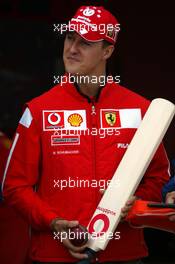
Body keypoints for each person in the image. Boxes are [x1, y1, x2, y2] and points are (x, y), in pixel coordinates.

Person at [1, 5, 170, 264]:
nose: (72, 49)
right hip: (55, 256)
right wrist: (54, 222)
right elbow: (14, 186)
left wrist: (138, 202)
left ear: (107, 51)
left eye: (86, 43)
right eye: (70, 38)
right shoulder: (37, 110)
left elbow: (159, 176)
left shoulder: (142, 109)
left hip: (123, 255)